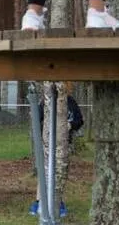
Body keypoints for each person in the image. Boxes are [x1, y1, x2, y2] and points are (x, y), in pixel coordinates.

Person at [29, 88, 85, 218]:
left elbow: (79, 120)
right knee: (45, 170)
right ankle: (39, 201)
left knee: (59, 171)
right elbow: (37, 118)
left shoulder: (70, 102)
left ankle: (58, 203)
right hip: (47, 143)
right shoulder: (46, 101)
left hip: (63, 144)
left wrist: (70, 125)